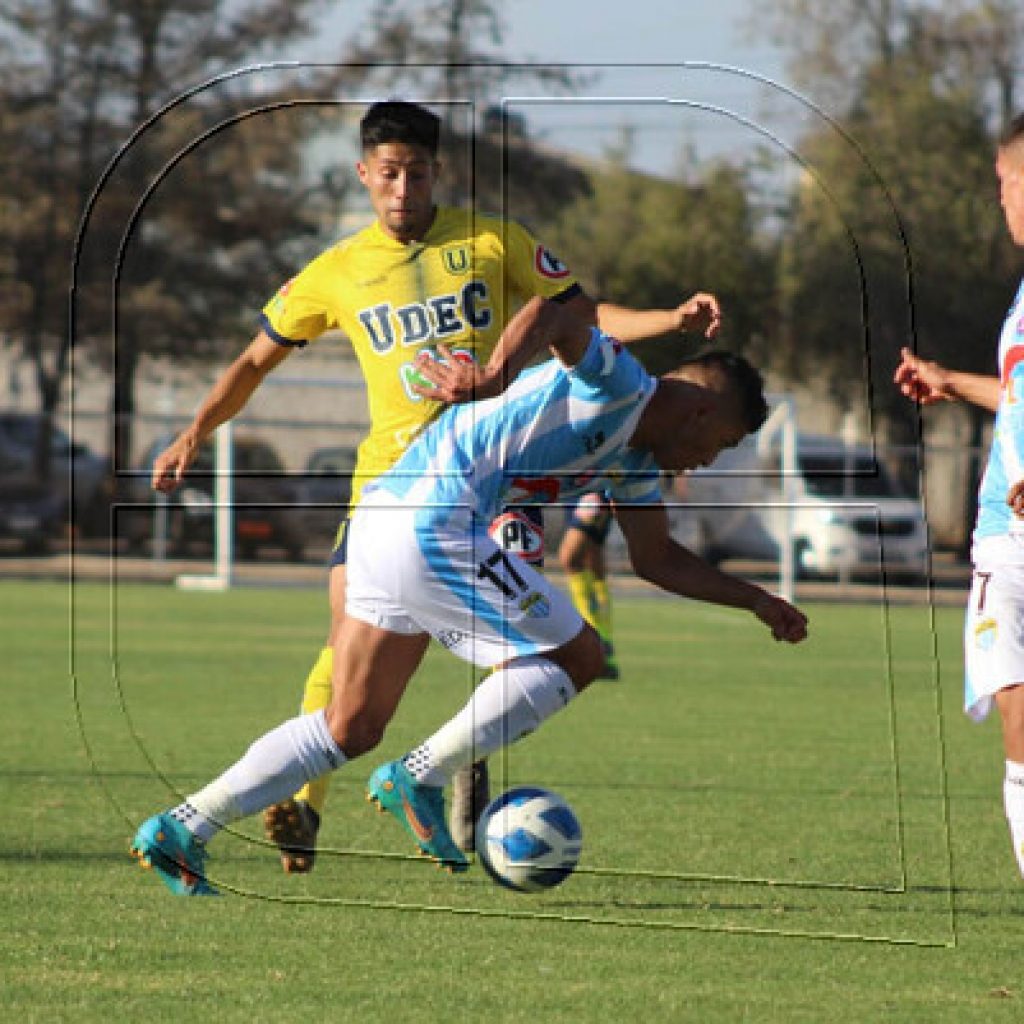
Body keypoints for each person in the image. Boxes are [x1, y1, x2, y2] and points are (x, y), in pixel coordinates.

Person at [148, 99, 725, 873]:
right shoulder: (336, 270)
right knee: (361, 664)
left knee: (500, 658)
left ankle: (436, 782)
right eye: (388, 173)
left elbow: (575, 314)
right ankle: (331, 802)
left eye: (416, 173)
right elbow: (256, 359)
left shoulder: (491, 239)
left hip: (495, 481)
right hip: (393, 485)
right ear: (364, 175)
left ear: (436, 173)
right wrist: (197, 430)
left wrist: (667, 319)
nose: (402, 188)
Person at [130, 296, 809, 895]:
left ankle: (181, 827)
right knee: (578, 657)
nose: (708, 461)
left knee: (351, 725)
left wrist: (755, 600)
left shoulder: (633, 460)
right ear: (696, 409)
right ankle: (419, 777)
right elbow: (552, 314)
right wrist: (492, 374)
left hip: (385, 519)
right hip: (434, 519)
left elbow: (657, 559)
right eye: (718, 444)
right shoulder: (622, 383)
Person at [893, 112, 1024, 879]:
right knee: (1017, 708)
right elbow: (1017, 395)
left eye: (1004, 184)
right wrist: (951, 382)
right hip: (1004, 542)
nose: (999, 201)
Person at [558, 491, 619, 679]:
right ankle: (602, 648)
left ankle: (593, 644)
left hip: (591, 488)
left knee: (571, 559)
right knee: (591, 560)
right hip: (576, 488)